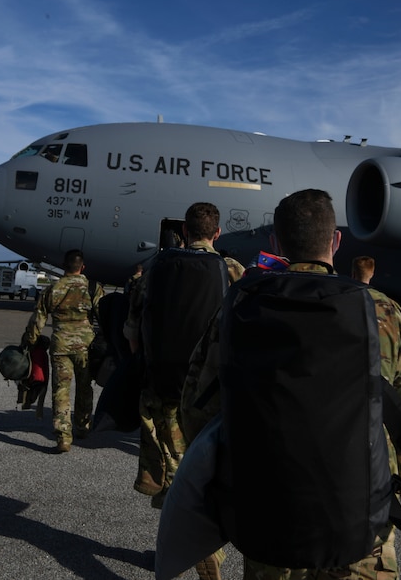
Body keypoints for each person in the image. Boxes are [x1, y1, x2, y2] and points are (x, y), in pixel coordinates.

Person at [181, 189, 401, 579]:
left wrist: (221, 487)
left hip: (268, 521)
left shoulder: (238, 307)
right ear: (335, 240)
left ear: (276, 242)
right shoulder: (384, 313)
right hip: (360, 526)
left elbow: (195, 409)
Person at [123, 202, 244, 580]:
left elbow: (131, 334)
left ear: (184, 232)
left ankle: (172, 551)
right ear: (217, 233)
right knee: (207, 474)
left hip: (160, 387)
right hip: (208, 392)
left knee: (174, 473)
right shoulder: (231, 270)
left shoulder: (155, 268)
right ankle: (204, 551)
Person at [21, 249, 104, 453]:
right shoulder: (92, 287)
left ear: (64, 267)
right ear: (82, 267)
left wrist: (29, 342)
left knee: (61, 390)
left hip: (60, 347)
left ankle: (63, 437)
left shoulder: (52, 289)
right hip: (85, 347)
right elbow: (103, 316)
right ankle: (83, 427)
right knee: (85, 387)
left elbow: (37, 320)